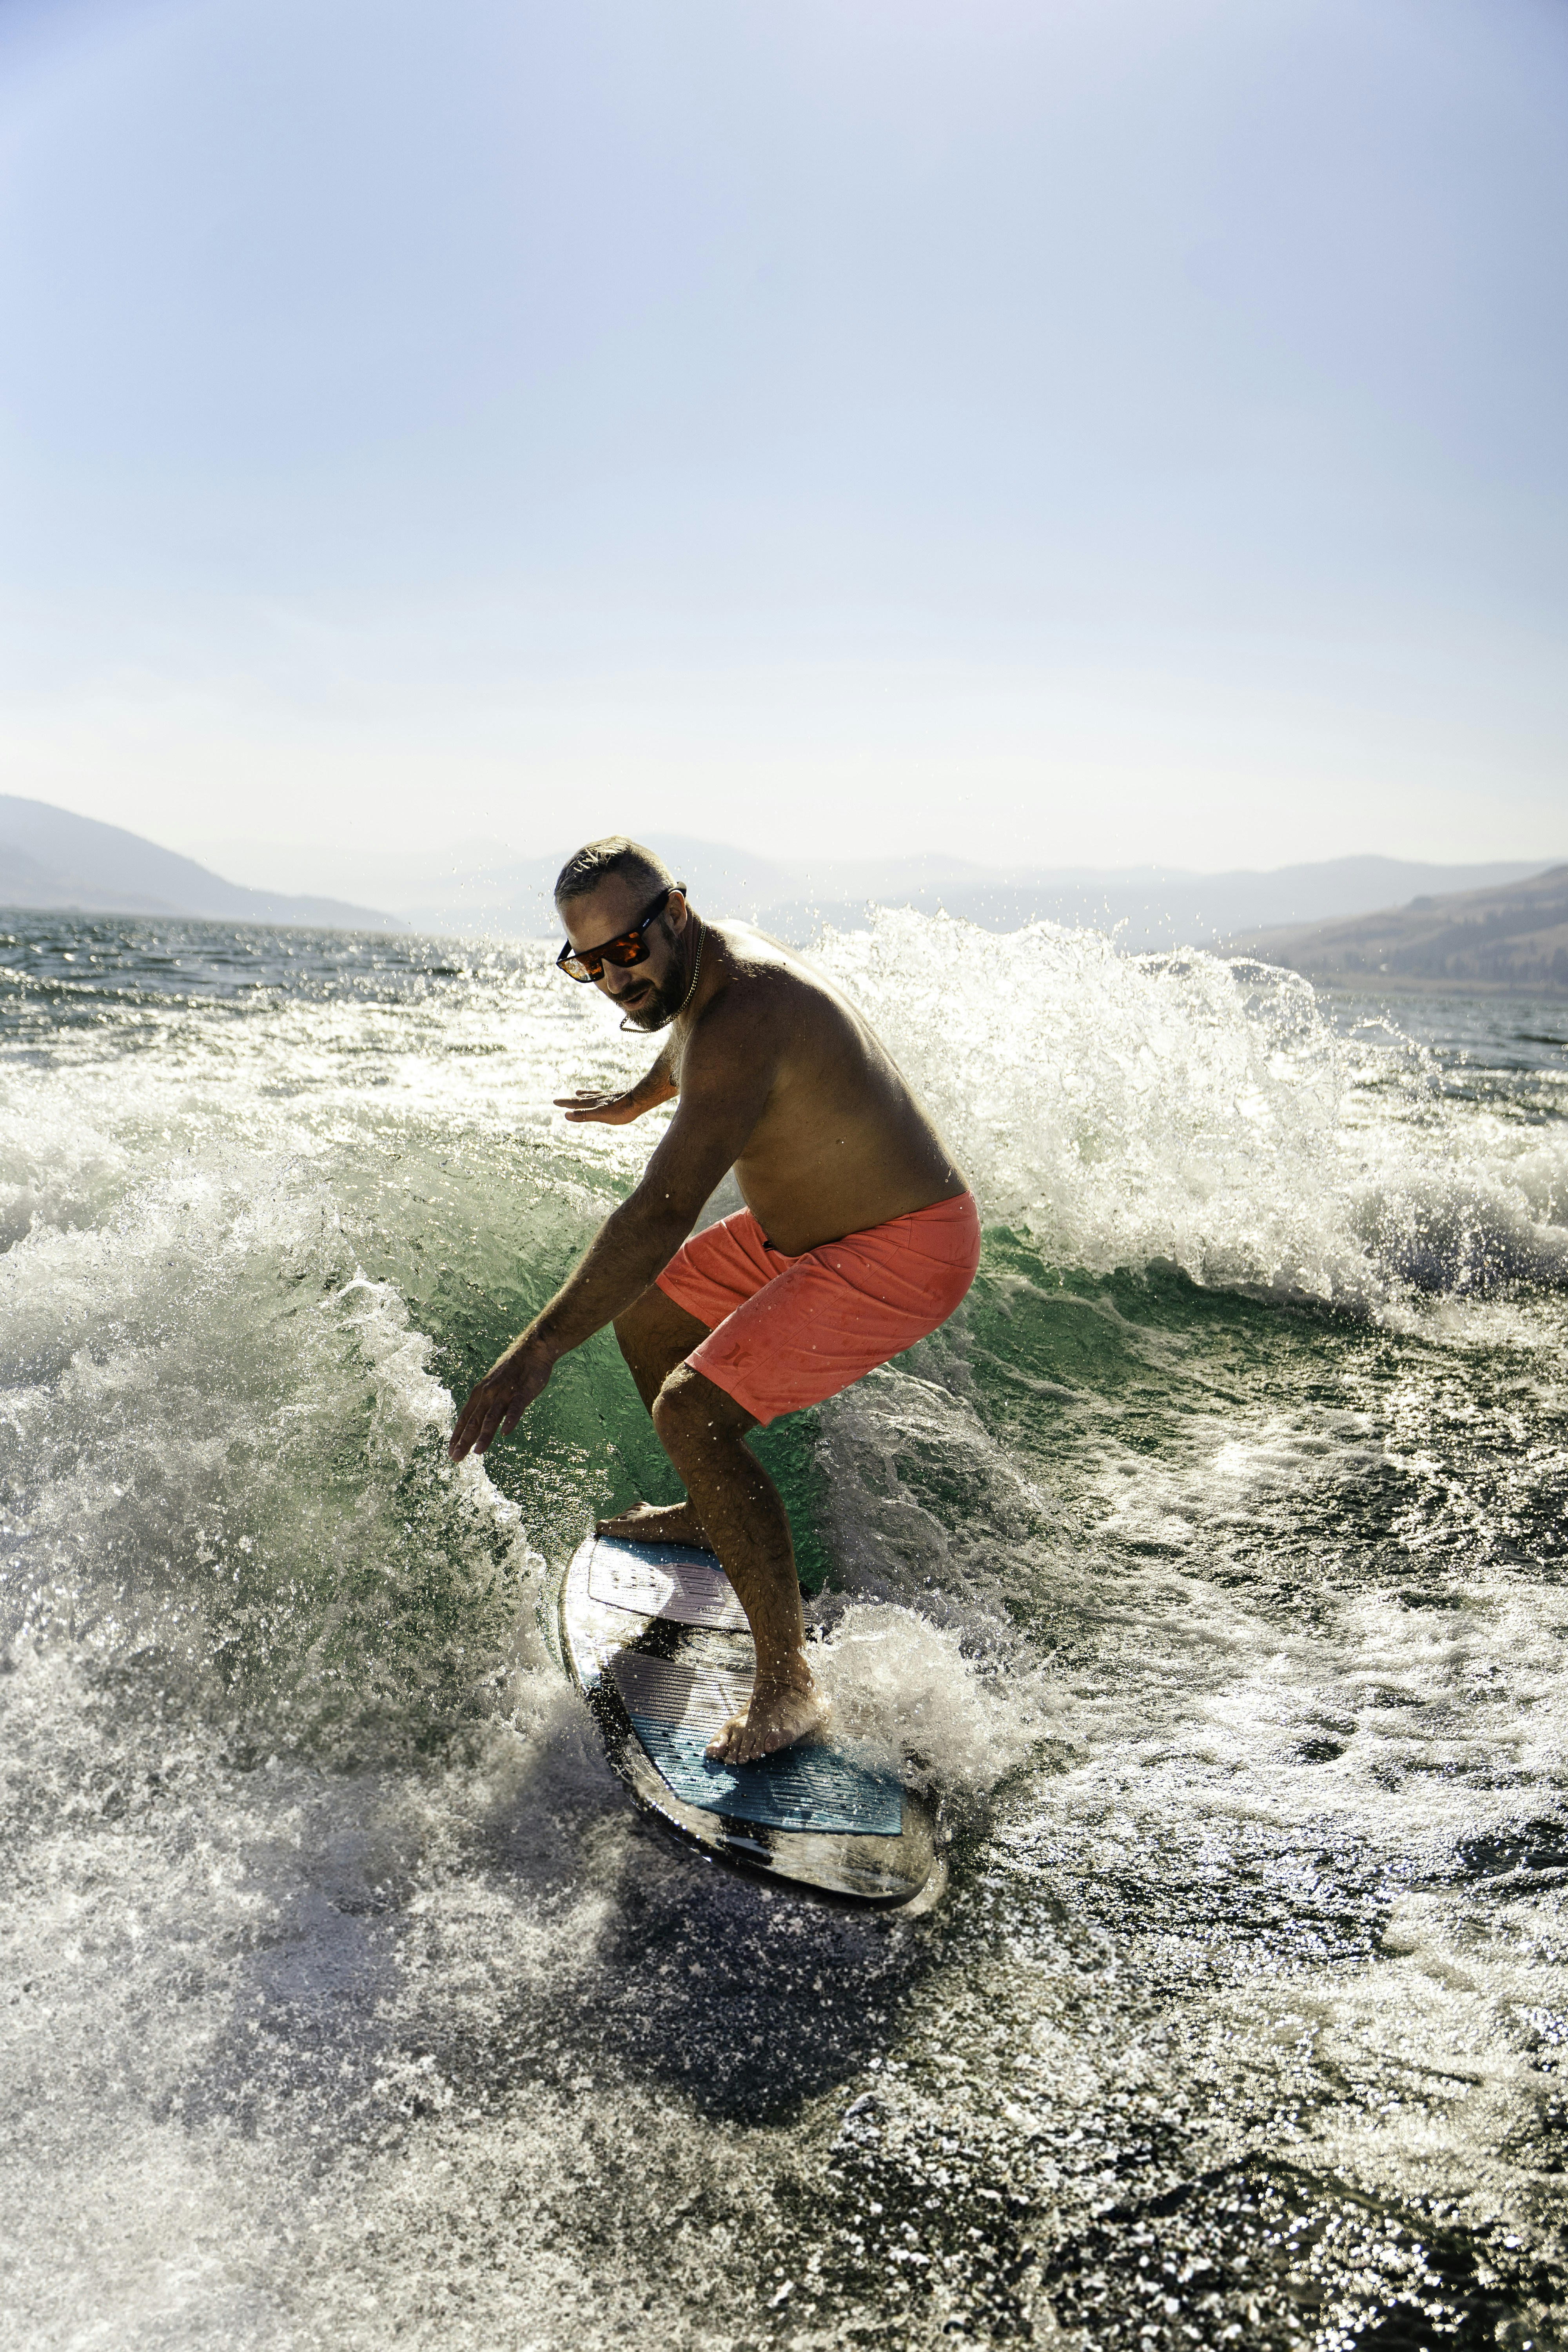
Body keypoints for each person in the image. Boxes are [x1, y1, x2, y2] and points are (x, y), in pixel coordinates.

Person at [448, 837, 978, 1762]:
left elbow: (657, 1212)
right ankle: (706, 1511)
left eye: (627, 951)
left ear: (677, 911)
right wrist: (642, 1094)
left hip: (900, 1246)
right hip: (806, 1230)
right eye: (589, 963)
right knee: (651, 1310)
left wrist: (537, 1348)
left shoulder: (749, 1011)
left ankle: (787, 1687)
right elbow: (685, 1035)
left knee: (693, 1411)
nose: (616, 979)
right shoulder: (702, 979)